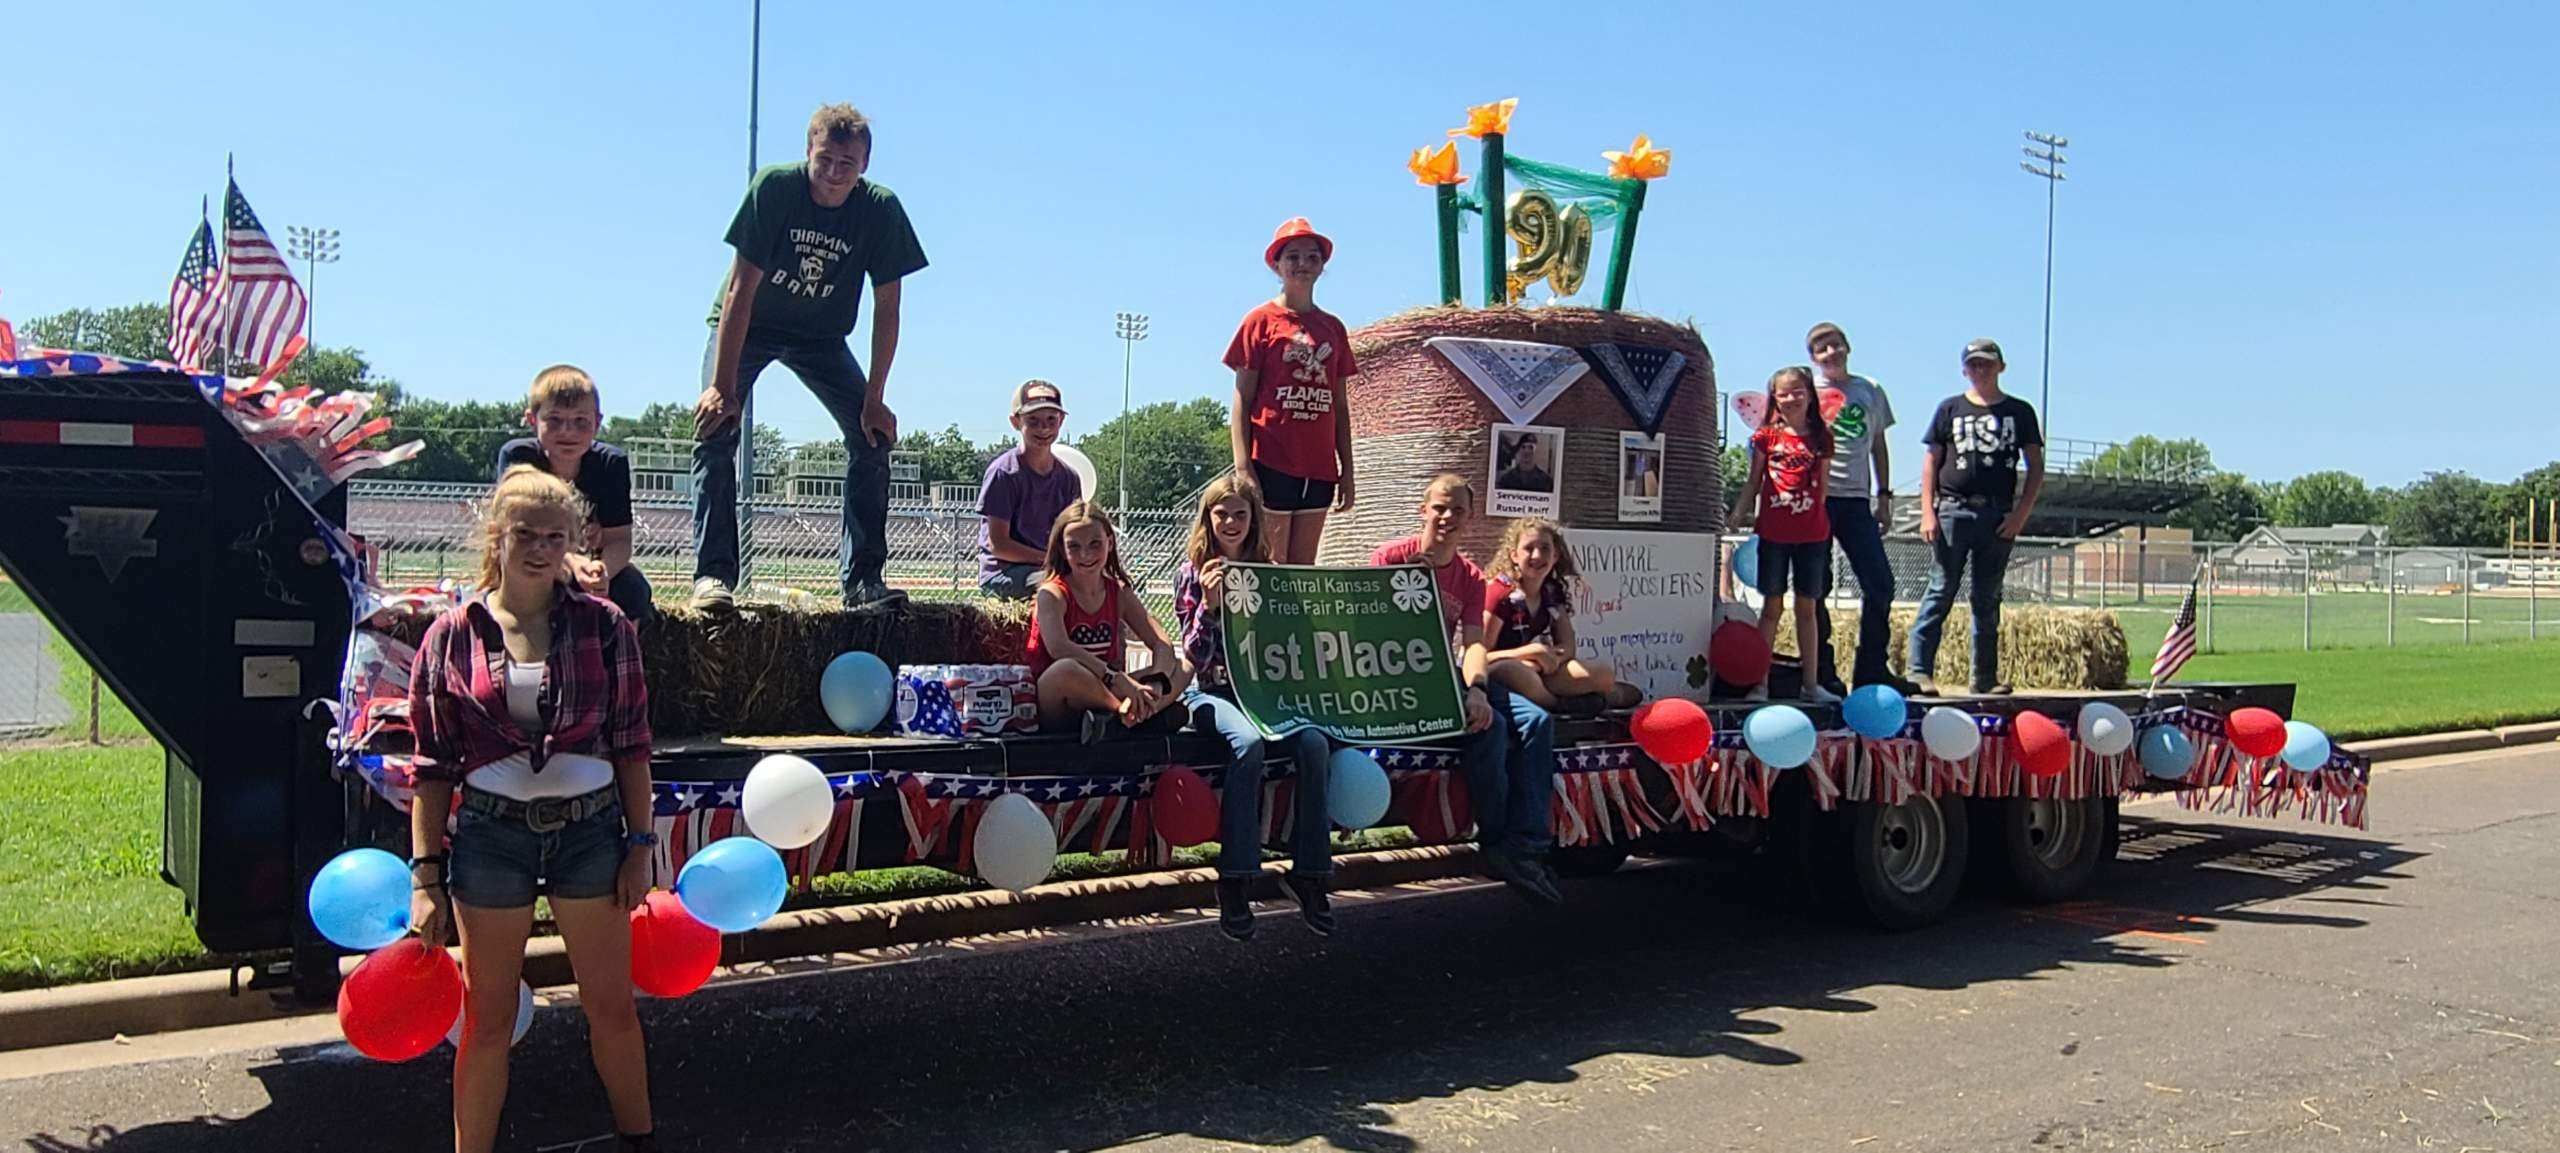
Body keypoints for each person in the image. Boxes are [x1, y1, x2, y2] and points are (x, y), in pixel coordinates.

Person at [406, 467, 658, 1153]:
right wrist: (425, 877)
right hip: (491, 837)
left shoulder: (605, 627)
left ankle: (639, 1136)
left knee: (610, 1007)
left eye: (556, 535)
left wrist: (640, 844)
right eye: (526, 534)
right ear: (497, 536)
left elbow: (634, 746)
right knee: (486, 1018)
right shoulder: (451, 635)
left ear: (575, 540)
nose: (542, 549)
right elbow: (431, 768)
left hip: (590, 833)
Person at [692, 102, 928, 613]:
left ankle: (862, 580)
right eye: (825, 160)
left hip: (821, 337)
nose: (834, 174)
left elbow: (888, 309)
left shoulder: (881, 209)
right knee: (716, 427)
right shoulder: (776, 189)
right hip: (750, 325)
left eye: (847, 163)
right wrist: (722, 387)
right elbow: (740, 290)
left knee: (872, 436)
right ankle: (713, 577)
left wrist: (875, 398)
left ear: (865, 164)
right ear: (807, 153)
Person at [1372, 474, 1564, 905]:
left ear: (1469, 517)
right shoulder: (1389, 558)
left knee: (1536, 722)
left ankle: (1528, 846)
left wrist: (1475, 687)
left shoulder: (1470, 576)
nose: (1447, 517)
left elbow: (1475, 642)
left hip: (1450, 675)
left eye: (1457, 510)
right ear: (1424, 510)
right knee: (1490, 729)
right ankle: (1495, 842)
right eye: (1440, 507)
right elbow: (1367, 628)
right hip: (1400, 680)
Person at [1171, 475, 1335, 940]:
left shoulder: (1267, 570)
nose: (1230, 522)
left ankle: (1310, 871)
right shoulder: (1194, 570)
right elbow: (1194, 657)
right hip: (1209, 692)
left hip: (1261, 693)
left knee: (1314, 744)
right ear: (1208, 518)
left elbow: (1287, 642)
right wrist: (1210, 606)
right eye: (1221, 514)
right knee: (1247, 746)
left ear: (1253, 519)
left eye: (1240, 514)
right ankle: (1236, 877)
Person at [1909, 339, 2047, 696]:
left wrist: (2020, 514)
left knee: (1987, 598)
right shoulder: (1950, 409)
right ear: (1964, 370)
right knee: (1941, 589)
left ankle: (1983, 678)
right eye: (1973, 365)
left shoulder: (2020, 411)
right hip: (1953, 509)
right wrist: (1928, 510)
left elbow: (2035, 467)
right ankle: (1919, 670)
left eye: (1987, 364)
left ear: (2001, 367)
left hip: (1997, 513)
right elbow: (1931, 462)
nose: (1980, 370)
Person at [1226, 218, 1358, 564]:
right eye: (1294, 257)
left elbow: (1339, 406)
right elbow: (1242, 398)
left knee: (1303, 568)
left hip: (1319, 466)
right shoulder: (1260, 321)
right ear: (1277, 264)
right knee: (1270, 563)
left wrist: (1348, 470)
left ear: (1322, 265)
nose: (1303, 265)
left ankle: (1299, 621)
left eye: (1312, 257)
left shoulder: (1332, 328)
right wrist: (1243, 467)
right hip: (1272, 459)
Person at [1805, 322, 1917, 695]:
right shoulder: (1805, 390)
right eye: (1822, 349)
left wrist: (1884, 496)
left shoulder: (1869, 390)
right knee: (1816, 585)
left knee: (1880, 583)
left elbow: (1878, 444)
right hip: (1817, 498)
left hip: (1856, 499)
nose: (1830, 353)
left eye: (1835, 345)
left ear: (1847, 347)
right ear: (1813, 359)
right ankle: (1822, 670)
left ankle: (1871, 668)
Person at [494, 365, 655, 625]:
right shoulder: (518, 458)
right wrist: (567, 561)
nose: (568, 431)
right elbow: (507, 534)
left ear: (598, 422)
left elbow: (620, 540)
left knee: (634, 591)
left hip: (587, 566)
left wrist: (601, 572)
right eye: (555, 420)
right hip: (531, 560)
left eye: (581, 421)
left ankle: (623, 658)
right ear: (532, 419)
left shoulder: (610, 464)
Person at [1030, 500, 1191, 743]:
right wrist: (1117, 679)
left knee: (1184, 667)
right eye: (1075, 547)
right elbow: (1059, 648)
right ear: (1062, 550)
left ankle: (1130, 716)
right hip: (1062, 697)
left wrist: (1157, 680)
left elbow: (1161, 642)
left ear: (1110, 543)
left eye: (1095, 544)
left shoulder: (1118, 592)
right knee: (1066, 669)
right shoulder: (1052, 593)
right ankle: (1130, 714)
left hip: (1112, 689)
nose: (1085, 555)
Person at [1731, 367, 1840, 704]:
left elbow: (1823, 487)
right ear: (1774, 397)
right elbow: (1754, 481)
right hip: (1774, 532)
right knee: (1771, 607)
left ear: (1809, 394)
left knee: (1807, 607)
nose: (1791, 398)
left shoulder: (1822, 438)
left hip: (1812, 534)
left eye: (1798, 391)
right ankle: (1760, 685)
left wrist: (1813, 516)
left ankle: (1811, 683)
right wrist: (1739, 512)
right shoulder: (1766, 437)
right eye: (1784, 392)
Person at [1481, 516, 1639, 712]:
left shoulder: (1551, 592)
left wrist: (1549, 659)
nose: (1537, 556)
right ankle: (1561, 706)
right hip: (1504, 670)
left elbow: (1568, 646)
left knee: (1602, 674)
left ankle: (1587, 699)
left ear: (1555, 556)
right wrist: (1529, 653)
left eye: (1545, 549)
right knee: (1520, 674)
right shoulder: (1499, 593)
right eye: (1528, 548)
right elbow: (1479, 656)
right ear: (1514, 555)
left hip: (1543, 668)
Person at [977, 379, 1082, 600]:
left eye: (1051, 420)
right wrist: (1050, 560)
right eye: (1033, 421)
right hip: (1004, 573)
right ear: (1016, 422)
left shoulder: (1069, 478)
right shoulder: (1004, 474)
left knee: (1104, 585)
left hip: (1050, 567)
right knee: (1059, 587)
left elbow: (1076, 531)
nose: (1043, 428)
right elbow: (998, 545)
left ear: (1061, 421)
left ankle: (1127, 635)